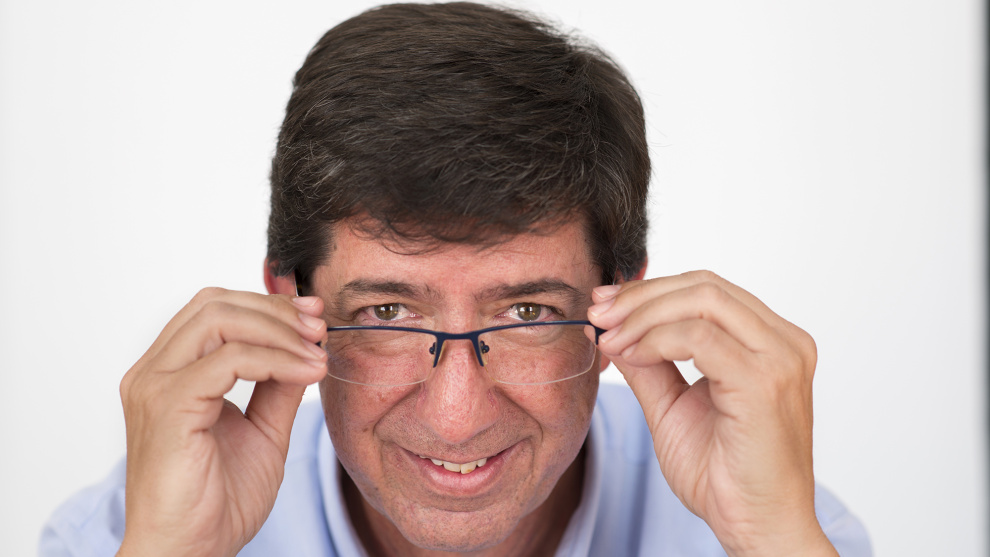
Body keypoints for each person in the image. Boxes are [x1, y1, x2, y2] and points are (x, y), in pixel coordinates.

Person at [41, 3, 871, 556]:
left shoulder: (774, 527)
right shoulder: (126, 533)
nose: (457, 415)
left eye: (528, 311)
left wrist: (776, 541)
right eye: (388, 311)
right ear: (290, 304)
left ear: (624, 309)